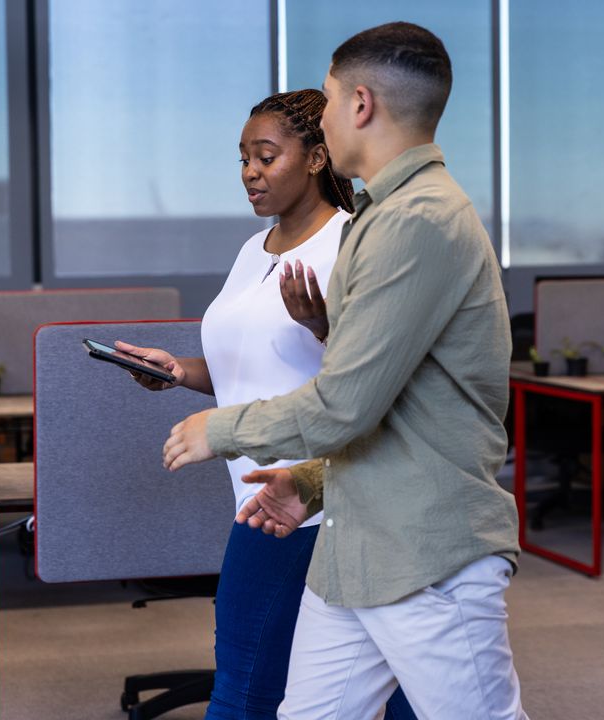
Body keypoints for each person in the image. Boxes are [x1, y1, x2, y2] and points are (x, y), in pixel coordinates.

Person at [161, 22, 528, 720]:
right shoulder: (380, 219)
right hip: (355, 541)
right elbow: (397, 404)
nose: (323, 117)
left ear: (361, 104)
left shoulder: (419, 222)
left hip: (427, 552)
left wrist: (221, 429)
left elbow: (346, 402)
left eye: (327, 101)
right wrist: (308, 482)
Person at [116, 89, 415, 720]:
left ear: (314, 159)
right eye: (243, 158)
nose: (250, 171)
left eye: (266, 155)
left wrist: (325, 327)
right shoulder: (255, 249)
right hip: (259, 489)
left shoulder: (350, 244)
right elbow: (248, 367)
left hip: (309, 493)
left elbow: (388, 382)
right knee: (375, 687)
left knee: (245, 689)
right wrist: (179, 371)